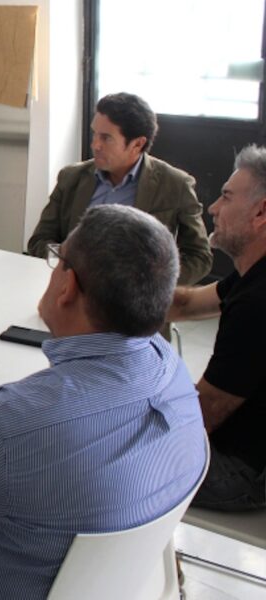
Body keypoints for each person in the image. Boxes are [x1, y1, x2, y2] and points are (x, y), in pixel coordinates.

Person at [0, 205, 206, 599]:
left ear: (67, 286)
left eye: (57, 260)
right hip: (121, 581)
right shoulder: (171, 368)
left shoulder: (12, 424)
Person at [168, 145, 266, 511]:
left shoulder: (257, 305)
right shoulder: (251, 275)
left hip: (244, 470)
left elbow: (201, 415)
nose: (212, 208)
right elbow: (187, 304)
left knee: (99, 457)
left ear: (261, 212)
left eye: (226, 197)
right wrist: (106, 295)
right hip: (235, 439)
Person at [27, 92, 211, 286]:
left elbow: (199, 257)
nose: (95, 145)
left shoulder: (175, 185)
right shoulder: (71, 178)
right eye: (94, 134)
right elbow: (39, 241)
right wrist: (64, 258)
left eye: (106, 138)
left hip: (137, 299)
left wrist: (154, 285)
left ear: (137, 144)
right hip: (74, 292)